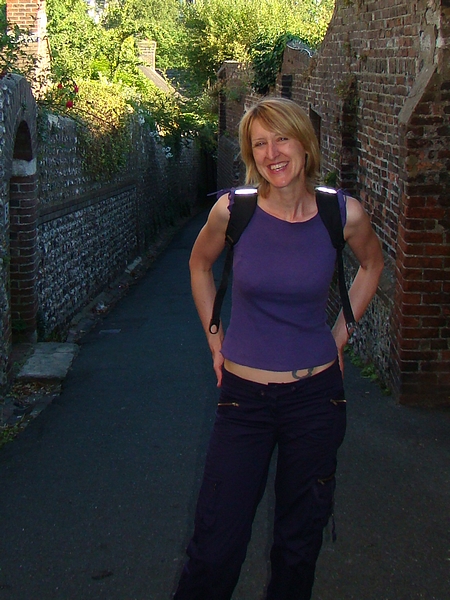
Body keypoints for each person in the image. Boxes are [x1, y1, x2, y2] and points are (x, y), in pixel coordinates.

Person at [174, 96, 384, 600]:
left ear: (305, 144)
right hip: (243, 403)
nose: (272, 153)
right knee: (215, 546)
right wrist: (215, 341)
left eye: (282, 138)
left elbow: (372, 265)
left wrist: (339, 336)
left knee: (297, 547)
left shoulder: (341, 213)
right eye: (260, 144)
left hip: (315, 401)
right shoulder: (234, 211)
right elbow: (199, 265)